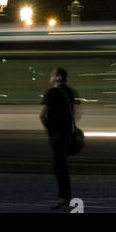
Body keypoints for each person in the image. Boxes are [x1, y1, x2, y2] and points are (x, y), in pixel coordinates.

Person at [39, 67, 78, 210]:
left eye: (52, 74)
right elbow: (74, 114)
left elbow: (42, 115)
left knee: (58, 165)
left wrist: (48, 129)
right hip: (68, 133)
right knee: (62, 165)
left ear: (57, 77)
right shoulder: (70, 92)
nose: (50, 77)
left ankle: (65, 197)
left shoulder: (51, 92)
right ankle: (65, 196)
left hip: (57, 134)